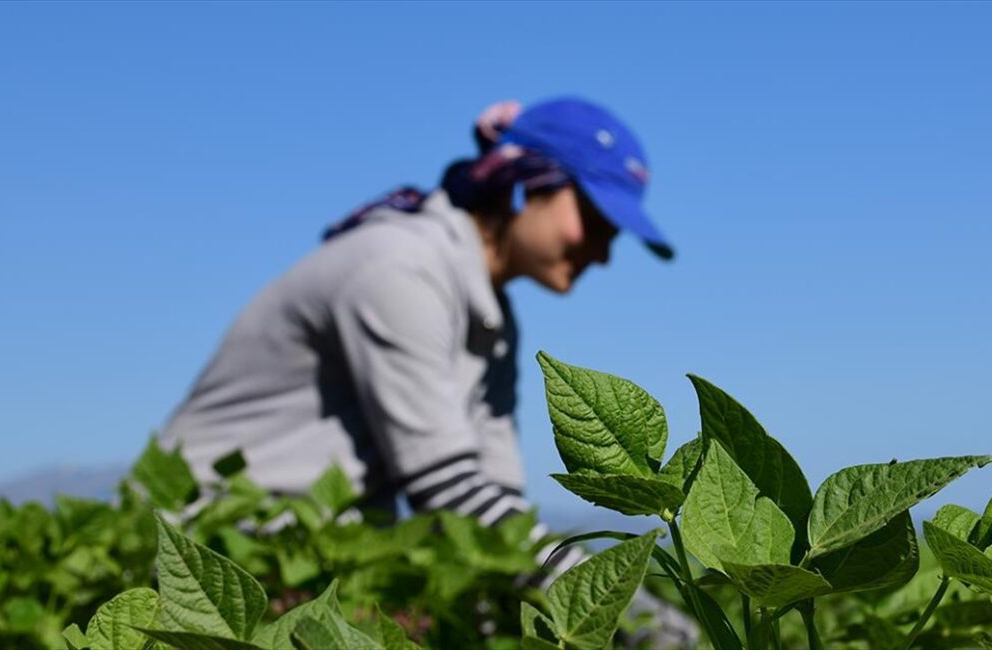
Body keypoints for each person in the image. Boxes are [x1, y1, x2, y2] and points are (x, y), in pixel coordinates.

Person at [159, 97, 693, 646]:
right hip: (206, 549)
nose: (603, 252)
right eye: (597, 220)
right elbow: (447, 488)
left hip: (304, 561)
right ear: (524, 184)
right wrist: (634, 621)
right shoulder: (398, 267)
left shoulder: (490, 317)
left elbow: (493, 514)